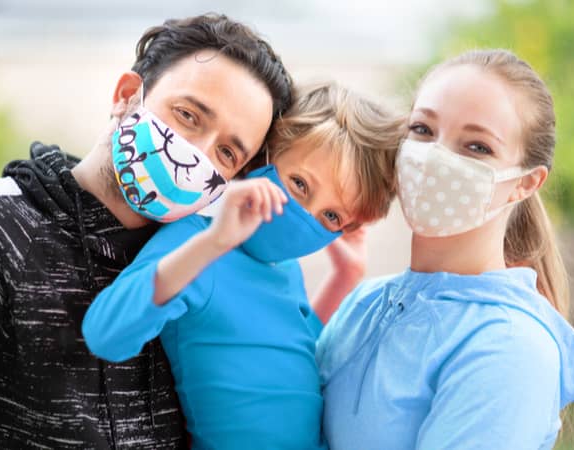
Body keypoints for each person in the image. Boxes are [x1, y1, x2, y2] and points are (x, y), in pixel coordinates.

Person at [0, 14, 293, 449]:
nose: (195, 155)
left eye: (227, 152)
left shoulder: (196, 273)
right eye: (187, 115)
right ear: (127, 95)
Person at [82, 82, 404, 449]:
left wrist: (343, 279)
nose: (306, 217)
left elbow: (291, 354)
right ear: (259, 161)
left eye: (331, 215)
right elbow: (106, 333)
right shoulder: (195, 240)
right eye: (299, 184)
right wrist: (215, 241)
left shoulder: (285, 268)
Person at [316, 49, 574, 449]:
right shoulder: (364, 302)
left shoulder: (509, 346)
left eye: (477, 147)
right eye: (423, 130)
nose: (435, 156)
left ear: (526, 183)